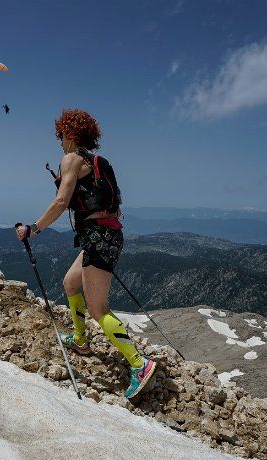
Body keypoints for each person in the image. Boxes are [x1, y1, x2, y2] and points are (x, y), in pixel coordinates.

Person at [15, 108, 157, 399]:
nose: (59, 141)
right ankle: (81, 340)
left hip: (98, 238)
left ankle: (139, 364)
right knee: (70, 282)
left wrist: (33, 228)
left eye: (61, 134)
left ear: (69, 133)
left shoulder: (71, 159)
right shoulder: (98, 162)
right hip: (106, 234)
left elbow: (60, 201)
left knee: (97, 308)